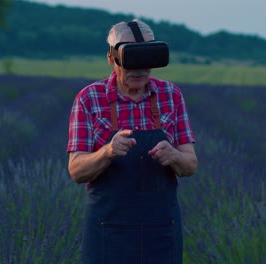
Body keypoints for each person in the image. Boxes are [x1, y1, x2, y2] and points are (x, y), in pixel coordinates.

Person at [67, 18, 198, 264]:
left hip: (161, 232)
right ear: (111, 58)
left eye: (147, 60)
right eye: (131, 61)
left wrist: (174, 156)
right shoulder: (89, 99)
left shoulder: (171, 95)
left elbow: (190, 164)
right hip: (108, 232)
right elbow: (76, 170)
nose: (139, 70)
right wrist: (107, 152)